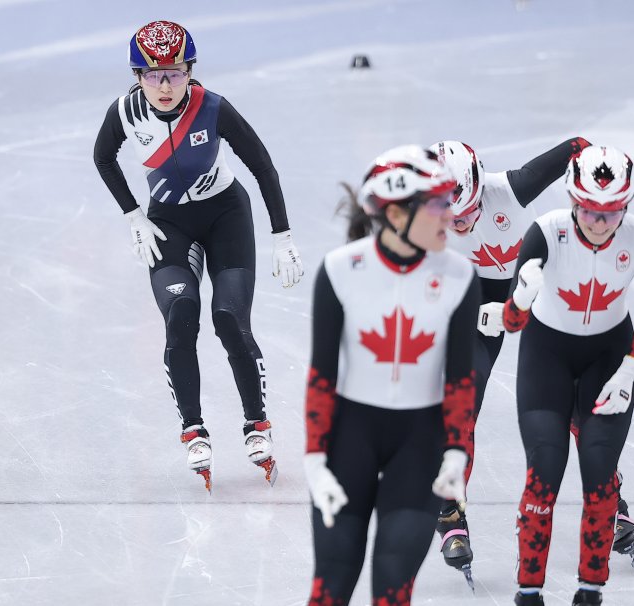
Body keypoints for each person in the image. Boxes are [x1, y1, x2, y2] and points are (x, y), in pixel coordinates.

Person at [93, 20, 304, 492]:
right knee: (181, 313)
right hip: (168, 225)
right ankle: (194, 428)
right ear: (136, 75)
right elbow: (103, 158)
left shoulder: (212, 108)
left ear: (190, 70)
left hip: (226, 216)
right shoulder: (125, 113)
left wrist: (282, 235)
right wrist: (132, 215)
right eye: (151, 74)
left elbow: (262, 164)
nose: (163, 85)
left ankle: (257, 423)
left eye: (173, 73)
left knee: (229, 317)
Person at [303, 145, 480, 605]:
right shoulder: (341, 270)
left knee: (393, 589)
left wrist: (457, 453)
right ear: (397, 213)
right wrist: (315, 463)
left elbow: (461, 379)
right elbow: (322, 375)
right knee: (331, 587)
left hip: (418, 447)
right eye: (439, 203)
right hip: (349, 442)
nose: (451, 213)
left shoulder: (461, 276)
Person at [502, 145, 634, 605]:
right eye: (590, 210)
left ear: (627, 205)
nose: (599, 222)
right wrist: (519, 300)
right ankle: (529, 592)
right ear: (573, 201)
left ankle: (589, 593)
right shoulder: (545, 232)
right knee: (545, 472)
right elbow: (513, 326)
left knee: (600, 475)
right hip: (545, 358)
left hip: (608, 361)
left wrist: (630, 367)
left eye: (612, 211)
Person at [427, 138, 596, 572]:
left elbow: (580, 147)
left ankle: (610, 496)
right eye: (451, 220)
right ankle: (449, 512)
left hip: (542, 284)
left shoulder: (516, 188)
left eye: (465, 216)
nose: (459, 228)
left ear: (480, 190)